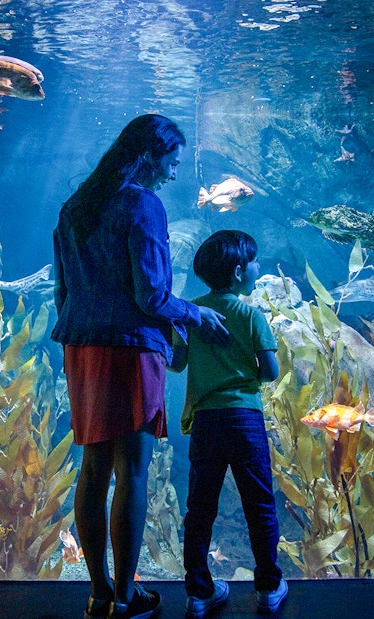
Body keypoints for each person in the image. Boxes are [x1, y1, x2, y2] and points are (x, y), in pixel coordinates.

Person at [51, 114, 229, 619]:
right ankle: (127, 597)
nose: (175, 174)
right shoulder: (143, 206)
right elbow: (151, 294)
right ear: (150, 155)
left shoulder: (73, 208)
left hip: (81, 348)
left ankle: (100, 592)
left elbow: (63, 291)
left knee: (93, 467)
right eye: (172, 162)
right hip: (129, 348)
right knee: (132, 468)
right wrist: (196, 314)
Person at [170, 229, 288, 618]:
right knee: (260, 503)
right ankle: (269, 586)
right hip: (245, 419)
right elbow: (270, 372)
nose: (258, 267)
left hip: (206, 421)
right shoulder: (252, 316)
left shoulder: (191, 314)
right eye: (254, 262)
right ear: (239, 273)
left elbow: (176, 362)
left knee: (200, 507)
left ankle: (199, 591)